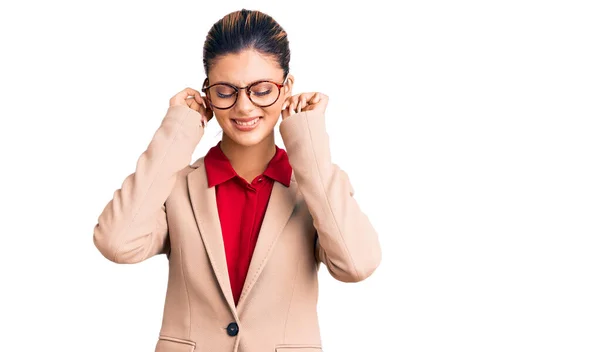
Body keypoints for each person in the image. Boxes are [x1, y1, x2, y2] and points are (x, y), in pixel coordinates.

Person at [93, 8, 381, 352]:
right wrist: (179, 131)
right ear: (208, 93)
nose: (244, 107)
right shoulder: (177, 188)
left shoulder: (316, 187)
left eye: (261, 89)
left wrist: (307, 141)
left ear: (287, 88)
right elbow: (116, 242)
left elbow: (357, 264)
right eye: (226, 91)